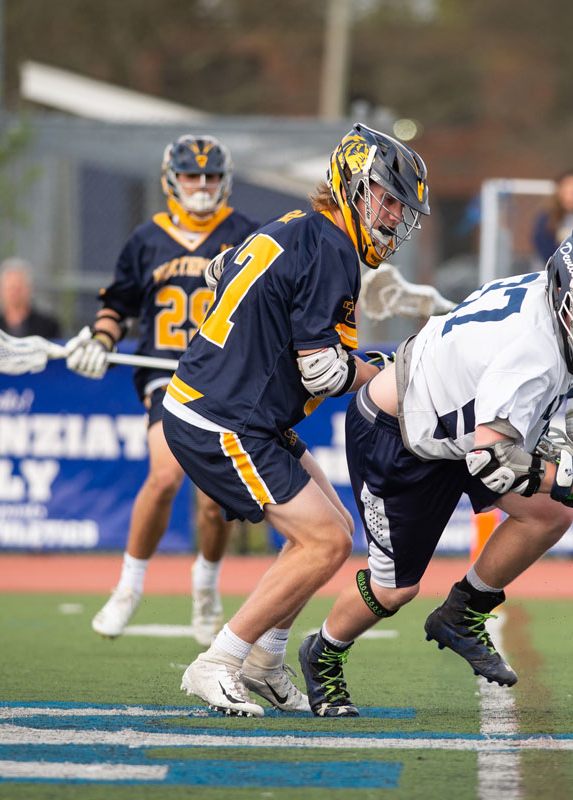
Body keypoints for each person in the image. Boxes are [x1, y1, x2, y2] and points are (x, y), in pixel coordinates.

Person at [297, 223, 573, 717]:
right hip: (400, 436)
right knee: (394, 588)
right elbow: (493, 462)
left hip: (457, 420)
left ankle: (461, 614)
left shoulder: (548, 297)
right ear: (569, 296)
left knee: (550, 514)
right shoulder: (532, 354)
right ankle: (323, 653)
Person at [162, 123, 430, 718]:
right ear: (351, 185)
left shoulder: (297, 226)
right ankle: (220, 659)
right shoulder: (332, 248)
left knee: (335, 530)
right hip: (222, 416)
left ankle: (265, 658)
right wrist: (391, 368)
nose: (391, 217)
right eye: (384, 198)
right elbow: (326, 376)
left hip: (243, 411)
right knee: (325, 541)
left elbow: (221, 269)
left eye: (398, 206)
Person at [64, 135, 260, 655]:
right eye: (193, 176)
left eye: (211, 176)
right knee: (164, 475)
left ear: (225, 180)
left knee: (216, 506)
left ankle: (206, 586)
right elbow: (117, 304)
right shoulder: (146, 239)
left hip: (222, 378)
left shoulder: (245, 234)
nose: (201, 186)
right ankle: (129, 585)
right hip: (164, 375)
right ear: (172, 180)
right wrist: (101, 339)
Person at [0, 258, 61, 339]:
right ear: (0, 290)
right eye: (10, 289)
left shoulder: (48, 326)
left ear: (30, 289)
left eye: (18, 288)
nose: (14, 294)